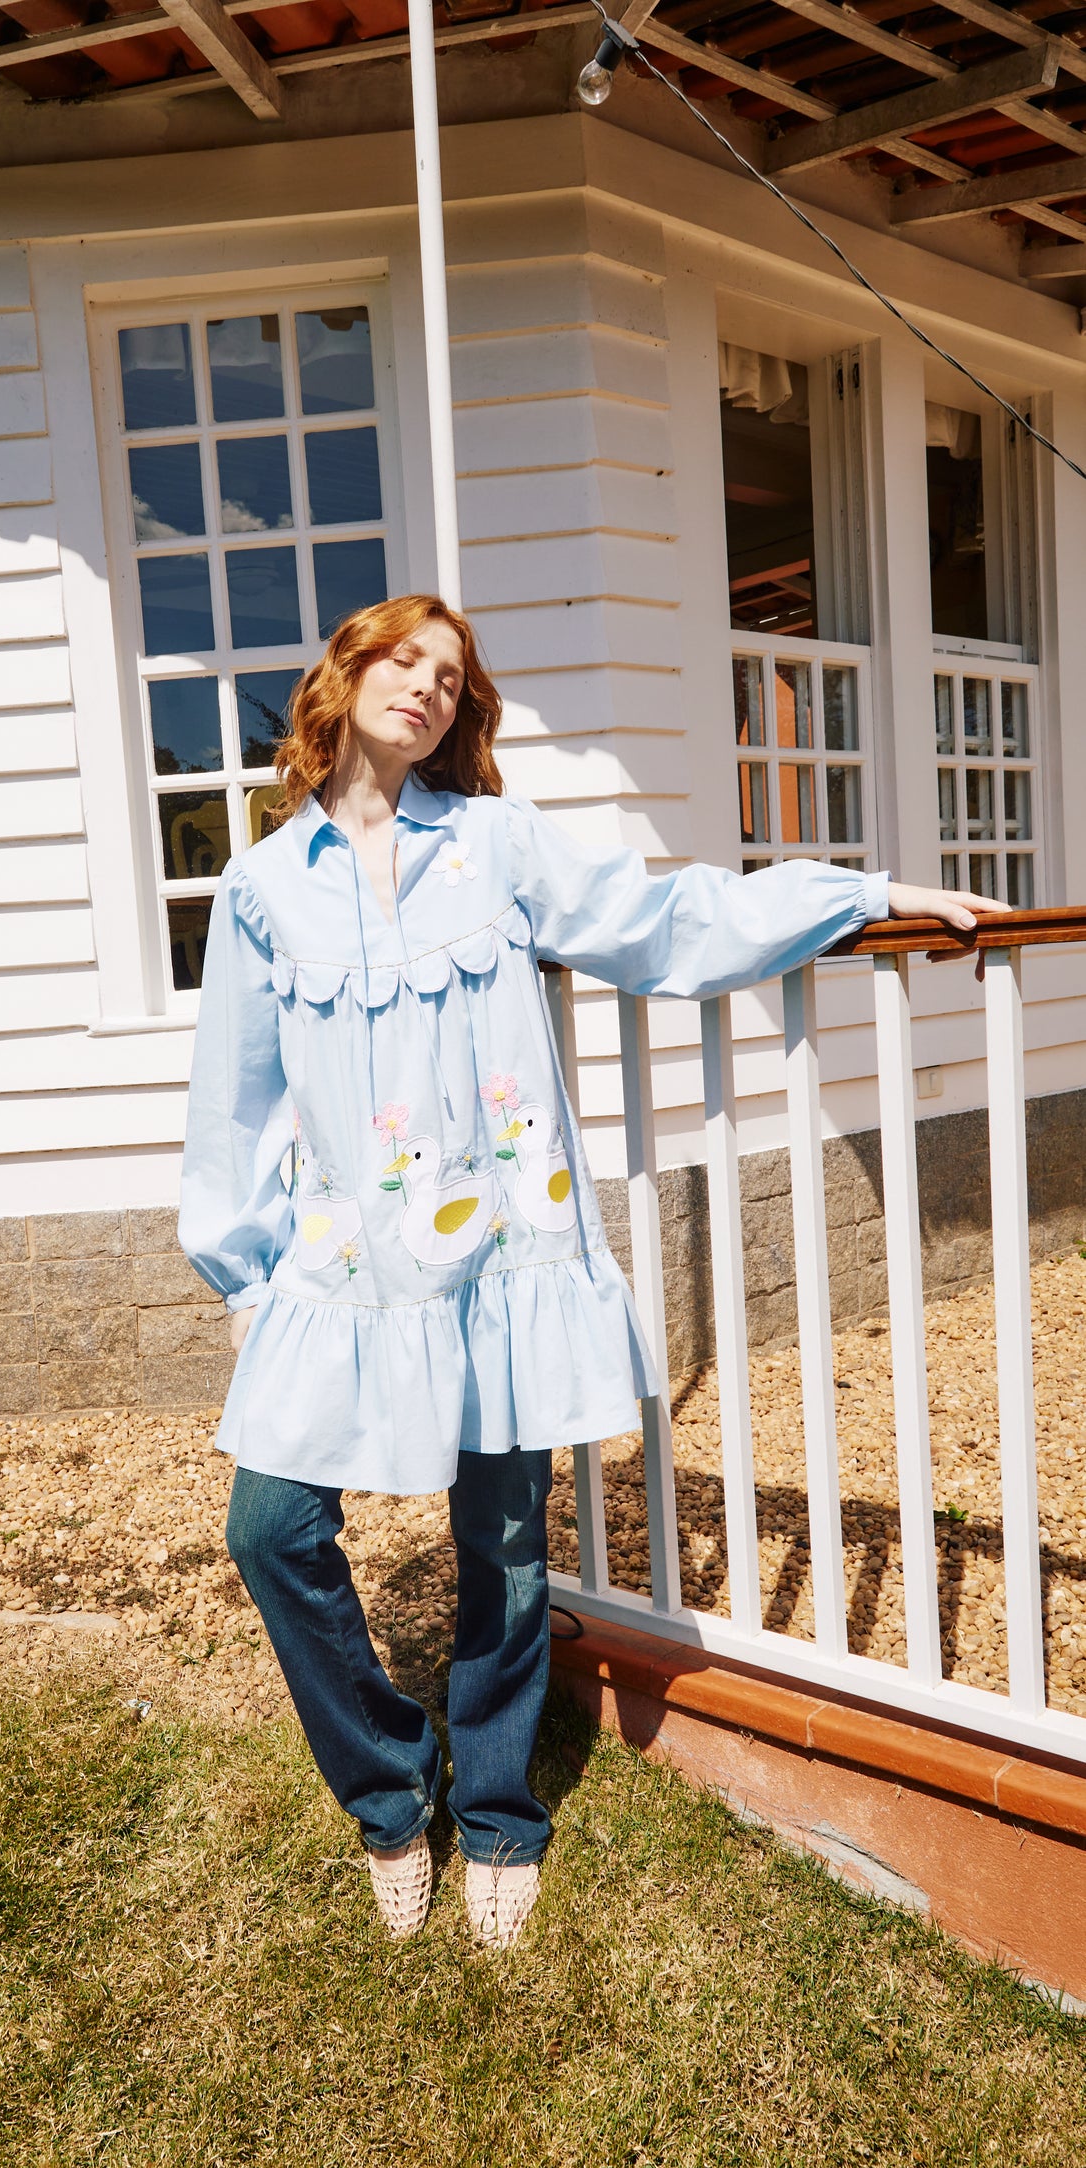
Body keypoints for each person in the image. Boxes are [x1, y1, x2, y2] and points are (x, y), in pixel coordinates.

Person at [178, 593, 1006, 1949]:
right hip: (341, 1270)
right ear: (345, 675)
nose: (428, 687)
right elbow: (234, 1101)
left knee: (504, 1546)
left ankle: (499, 1812)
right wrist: (245, 1277)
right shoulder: (262, 890)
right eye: (404, 660)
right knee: (269, 1530)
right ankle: (389, 1789)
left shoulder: (494, 844)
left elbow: (664, 921)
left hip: (508, 1255)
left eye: (452, 677)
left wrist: (861, 897)